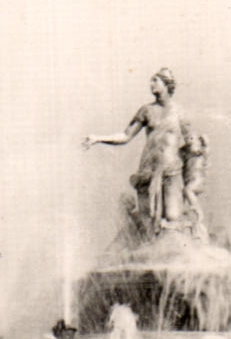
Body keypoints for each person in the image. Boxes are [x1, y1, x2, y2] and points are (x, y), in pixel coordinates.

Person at [83, 68, 195, 237]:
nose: (151, 84)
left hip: (172, 170)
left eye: (155, 81)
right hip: (148, 170)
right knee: (148, 217)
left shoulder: (180, 112)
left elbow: (191, 144)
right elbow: (125, 136)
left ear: (167, 84)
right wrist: (98, 138)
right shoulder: (146, 110)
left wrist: (192, 173)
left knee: (173, 216)